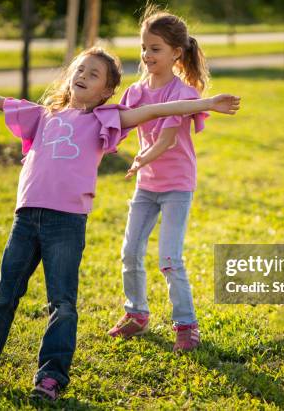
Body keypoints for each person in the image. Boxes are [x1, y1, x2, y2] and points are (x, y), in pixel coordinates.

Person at [0, 47, 240, 400]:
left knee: (62, 304)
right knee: (2, 297)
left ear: (107, 91)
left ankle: (51, 378)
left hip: (66, 224)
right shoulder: (43, 114)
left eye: (94, 74)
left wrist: (207, 102)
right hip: (26, 220)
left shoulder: (105, 120)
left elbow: (156, 110)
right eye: (80, 69)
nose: (83, 76)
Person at [107, 7, 214, 351]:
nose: (146, 55)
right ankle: (136, 314)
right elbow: (116, 127)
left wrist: (140, 160)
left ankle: (186, 324)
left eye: (155, 49)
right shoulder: (137, 92)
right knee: (130, 252)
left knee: (169, 258)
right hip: (146, 186)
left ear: (176, 53)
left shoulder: (182, 95)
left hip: (177, 186)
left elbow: (166, 140)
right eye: (144, 47)